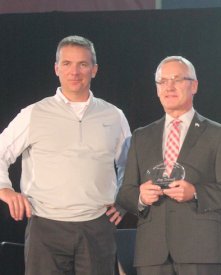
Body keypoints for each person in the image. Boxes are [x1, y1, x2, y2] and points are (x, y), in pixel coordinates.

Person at [0, 35, 131, 274]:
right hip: (46, 228)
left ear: (94, 70)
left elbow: (130, 166)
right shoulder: (34, 113)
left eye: (83, 64)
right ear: (56, 68)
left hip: (97, 228)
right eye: (67, 63)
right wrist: (5, 189)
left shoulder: (114, 115)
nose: (75, 71)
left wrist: (123, 199)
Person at [116, 56, 221, 275]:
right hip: (152, 253)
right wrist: (140, 196)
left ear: (194, 85)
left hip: (200, 249)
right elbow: (125, 192)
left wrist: (196, 192)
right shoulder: (141, 136)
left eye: (177, 79)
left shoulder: (218, 133)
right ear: (157, 89)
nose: (169, 87)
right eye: (162, 81)